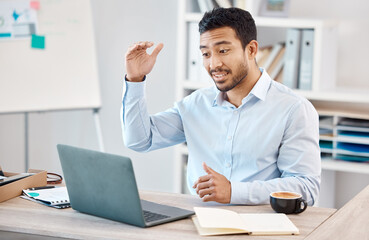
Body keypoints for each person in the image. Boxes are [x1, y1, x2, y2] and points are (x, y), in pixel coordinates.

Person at [121, 8, 321, 205]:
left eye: (223, 51)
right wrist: (135, 80)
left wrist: (234, 192)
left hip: (260, 227)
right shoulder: (195, 104)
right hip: (199, 224)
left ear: (251, 49)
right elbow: (140, 140)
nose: (214, 64)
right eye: (206, 54)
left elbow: (306, 187)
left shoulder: (293, 109)